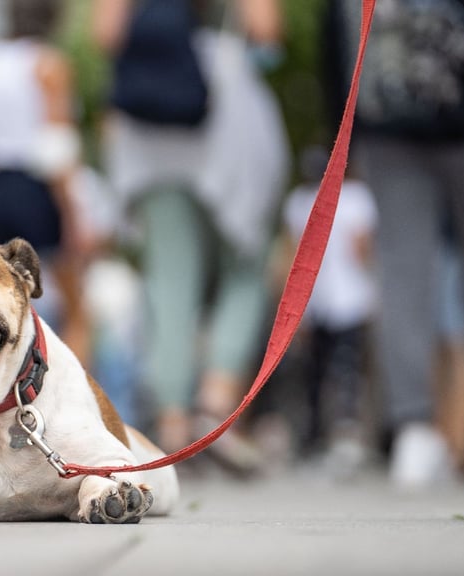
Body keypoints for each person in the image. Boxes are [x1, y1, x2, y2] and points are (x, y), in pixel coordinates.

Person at [94, 0, 288, 473]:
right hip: (226, 112)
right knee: (246, 266)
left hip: (151, 128)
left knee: (169, 275)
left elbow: (107, 33)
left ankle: (174, 424)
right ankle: (214, 404)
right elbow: (264, 29)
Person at [326, 0, 464, 488]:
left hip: (411, 121)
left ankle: (417, 430)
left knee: (404, 275)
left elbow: (335, 37)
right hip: (419, 123)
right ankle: (419, 426)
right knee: (409, 274)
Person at [0, 0, 90, 363]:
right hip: (38, 186)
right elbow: (56, 147)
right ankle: (76, 396)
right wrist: (72, 211)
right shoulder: (48, 63)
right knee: (77, 308)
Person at [283, 148, 377, 478]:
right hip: (348, 299)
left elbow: (292, 252)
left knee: (317, 373)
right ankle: (342, 433)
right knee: (346, 370)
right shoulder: (357, 197)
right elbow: (363, 248)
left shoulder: (299, 200)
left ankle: (317, 435)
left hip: (324, 299)